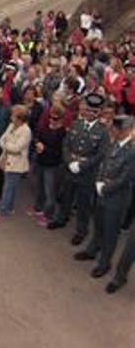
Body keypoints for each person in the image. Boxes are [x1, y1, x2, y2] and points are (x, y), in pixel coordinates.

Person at [74, 115, 134, 279]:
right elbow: (103, 164)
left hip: (116, 198)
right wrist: (99, 181)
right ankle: (92, 250)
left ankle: (104, 263)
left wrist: (105, 187)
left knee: (110, 232)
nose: (112, 130)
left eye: (115, 129)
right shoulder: (112, 142)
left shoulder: (132, 151)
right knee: (98, 224)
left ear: (126, 131)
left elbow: (125, 177)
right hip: (102, 192)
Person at [47, 93, 110, 246]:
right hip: (70, 169)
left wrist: (81, 165)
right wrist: (69, 162)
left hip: (87, 174)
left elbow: (101, 155)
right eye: (88, 110)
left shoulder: (103, 132)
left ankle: (81, 231)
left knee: (83, 204)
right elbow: (66, 145)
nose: (90, 113)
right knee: (65, 197)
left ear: (99, 112)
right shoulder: (76, 124)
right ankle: (61, 219)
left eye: (94, 111)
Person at [0, 105, 32, 225]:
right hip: (7, 159)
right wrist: (8, 145)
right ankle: (10, 208)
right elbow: (1, 140)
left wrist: (6, 145)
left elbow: (17, 148)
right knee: (11, 186)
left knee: (8, 187)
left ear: (19, 118)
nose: (11, 117)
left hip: (17, 164)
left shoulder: (26, 131)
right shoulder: (11, 125)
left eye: (13, 115)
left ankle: (2, 211)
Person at [32, 106, 67, 226]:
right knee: (40, 187)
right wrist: (37, 143)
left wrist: (44, 148)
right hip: (41, 162)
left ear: (61, 120)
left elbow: (60, 152)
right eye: (50, 117)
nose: (52, 120)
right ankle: (38, 208)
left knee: (50, 191)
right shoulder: (45, 127)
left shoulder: (62, 133)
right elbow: (37, 137)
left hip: (52, 165)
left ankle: (48, 215)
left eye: (55, 119)